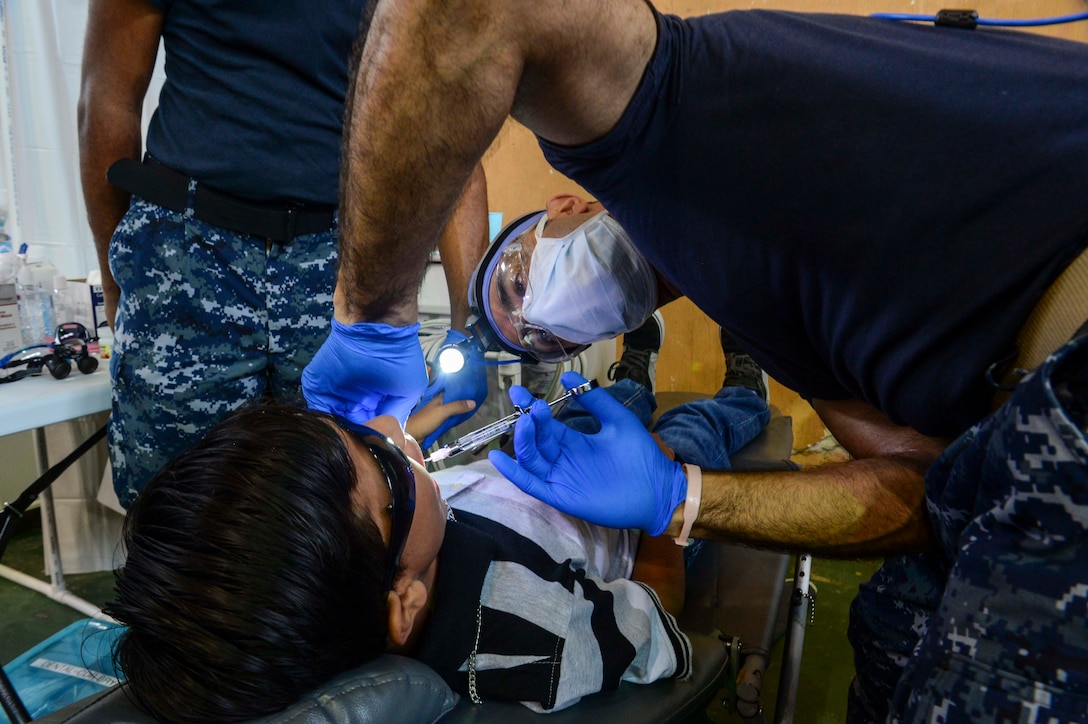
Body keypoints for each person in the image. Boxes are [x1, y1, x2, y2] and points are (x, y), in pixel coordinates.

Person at [297, 1, 1088, 721]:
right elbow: (926, 488)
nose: (531, 320)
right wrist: (683, 495)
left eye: (517, 285)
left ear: (568, 209)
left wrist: (372, 314)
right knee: (887, 627)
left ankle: (709, 388)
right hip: (1007, 397)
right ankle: (695, 390)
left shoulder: (680, 117)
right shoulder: (757, 274)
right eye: (528, 333)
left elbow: (465, 11)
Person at [104, 327, 773, 721]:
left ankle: (634, 370)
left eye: (348, 429)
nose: (390, 426)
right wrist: (660, 503)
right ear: (407, 601)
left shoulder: (367, 558)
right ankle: (748, 386)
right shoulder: (538, 638)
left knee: (603, 400)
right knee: (692, 428)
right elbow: (656, 621)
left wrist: (426, 425)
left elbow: (386, 474)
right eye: (383, 460)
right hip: (618, 507)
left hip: (531, 470)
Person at [76, 0, 490, 508]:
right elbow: (108, 99)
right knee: (177, 515)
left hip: (343, 263)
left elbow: (449, 122)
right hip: (186, 261)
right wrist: (119, 290)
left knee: (345, 516)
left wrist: (470, 328)